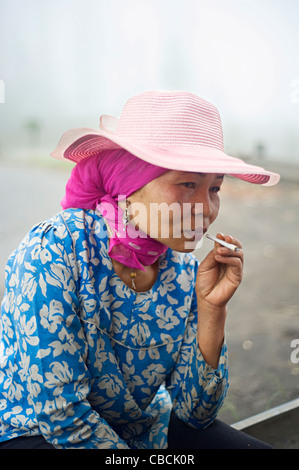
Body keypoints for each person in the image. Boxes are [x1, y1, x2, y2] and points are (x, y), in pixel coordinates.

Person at [0, 91, 279, 449]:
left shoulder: (182, 271)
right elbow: (60, 414)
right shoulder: (55, 252)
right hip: (37, 435)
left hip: (139, 431)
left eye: (215, 188)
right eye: (187, 184)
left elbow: (196, 415)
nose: (205, 209)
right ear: (128, 186)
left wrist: (212, 311)